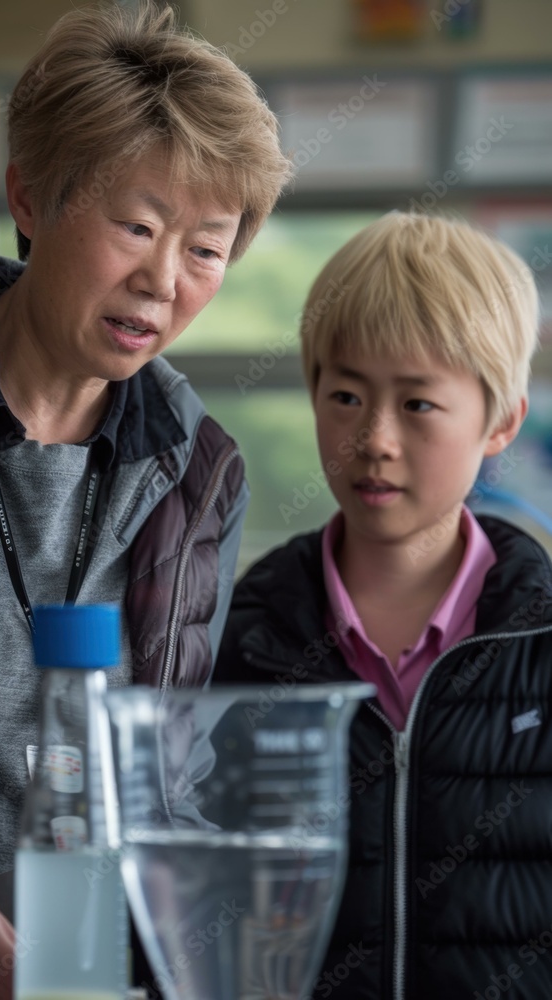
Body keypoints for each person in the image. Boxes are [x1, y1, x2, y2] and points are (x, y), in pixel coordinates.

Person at [0, 3, 293, 997]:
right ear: (30, 197)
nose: (162, 280)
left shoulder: (199, 474)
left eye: (206, 248)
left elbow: (168, 780)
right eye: (136, 227)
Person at [214, 211, 552, 999]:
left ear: (500, 421)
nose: (373, 440)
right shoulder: (236, 643)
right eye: (344, 395)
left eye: (417, 405)